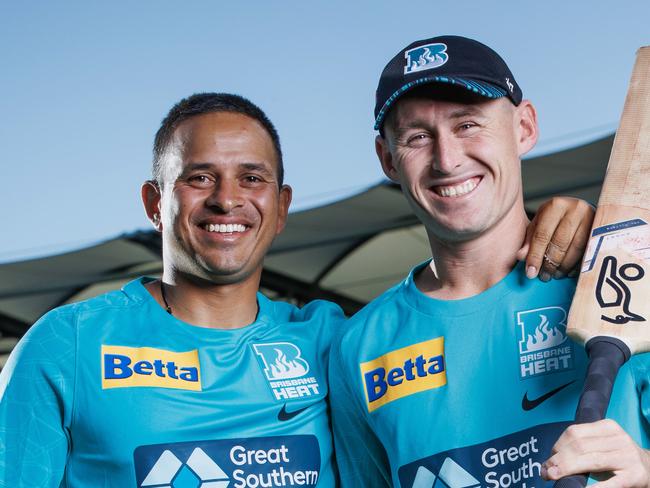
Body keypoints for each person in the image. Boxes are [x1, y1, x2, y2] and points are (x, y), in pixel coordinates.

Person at [0, 91, 592, 487]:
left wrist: (568, 226)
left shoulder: (331, 342)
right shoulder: (67, 346)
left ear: (281, 208)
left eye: (251, 179)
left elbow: (458, 318)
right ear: (156, 203)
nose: (226, 199)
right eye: (198, 177)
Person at [329, 35, 650, 487]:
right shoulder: (358, 345)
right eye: (418, 137)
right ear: (388, 159)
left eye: (468, 125)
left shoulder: (618, 279)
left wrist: (645, 466)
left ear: (524, 127)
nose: (447, 158)